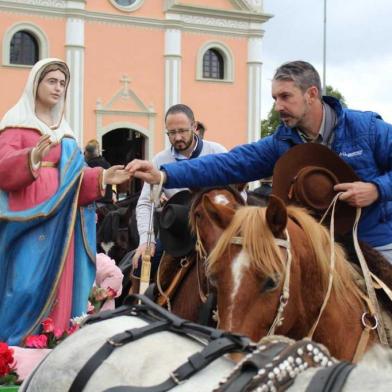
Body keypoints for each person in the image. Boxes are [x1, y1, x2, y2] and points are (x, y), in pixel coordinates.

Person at [126, 60, 392, 263]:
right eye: (275, 97)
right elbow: (228, 164)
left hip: (374, 242)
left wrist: (376, 190)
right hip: (315, 247)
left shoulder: (365, 128)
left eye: (285, 96)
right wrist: (163, 175)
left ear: (311, 94)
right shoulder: (282, 142)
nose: (277, 106)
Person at [0, 58, 130, 345]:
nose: (58, 88)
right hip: (27, 218)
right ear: (35, 83)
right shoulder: (15, 124)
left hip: (63, 223)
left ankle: (51, 341)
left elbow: (77, 177)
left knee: (62, 286)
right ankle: (11, 350)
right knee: (24, 285)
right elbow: (2, 167)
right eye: (52, 81)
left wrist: (104, 176)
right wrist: (31, 157)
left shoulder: (66, 133)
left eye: (63, 83)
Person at [132, 104, 227, 273]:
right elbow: (145, 202)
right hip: (177, 231)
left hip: (215, 228)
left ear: (194, 127)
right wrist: (147, 241)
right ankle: (139, 299)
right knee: (141, 266)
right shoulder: (159, 160)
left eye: (182, 131)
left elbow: (237, 192)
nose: (177, 137)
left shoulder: (217, 152)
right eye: (172, 133)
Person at [84, 139, 115, 204]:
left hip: (95, 203)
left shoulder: (87, 166)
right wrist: (113, 193)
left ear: (87, 153)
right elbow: (113, 182)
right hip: (108, 202)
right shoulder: (107, 164)